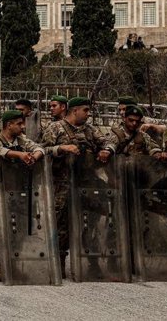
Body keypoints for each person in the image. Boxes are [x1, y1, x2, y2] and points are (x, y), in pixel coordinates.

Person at [42, 97, 116, 278]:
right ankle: (58, 262)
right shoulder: (55, 128)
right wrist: (62, 148)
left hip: (86, 184)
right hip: (62, 184)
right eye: (86, 110)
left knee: (89, 224)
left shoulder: (90, 130)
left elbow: (108, 142)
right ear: (75, 111)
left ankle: (92, 262)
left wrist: (107, 150)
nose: (88, 114)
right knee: (61, 224)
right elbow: (42, 150)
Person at [0, 110, 45, 282]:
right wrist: (20, 155)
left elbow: (38, 147)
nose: (23, 126)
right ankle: (4, 265)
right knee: (3, 227)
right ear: (8, 124)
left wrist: (35, 156)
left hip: (20, 189)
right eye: (19, 123)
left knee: (22, 227)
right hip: (0, 190)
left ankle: (17, 263)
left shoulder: (21, 140)